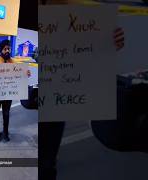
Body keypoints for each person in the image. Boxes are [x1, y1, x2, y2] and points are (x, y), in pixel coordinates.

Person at [39, 0, 125, 179]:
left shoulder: (79, 18)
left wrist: (109, 46)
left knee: (47, 159)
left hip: (58, 99)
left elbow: (88, 51)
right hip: (42, 94)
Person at [0, 39, 31, 142]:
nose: (7, 50)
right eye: (5, 49)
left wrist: (26, 73)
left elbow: (21, 74)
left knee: (6, 114)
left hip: (8, 95)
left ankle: (5, 133)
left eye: (8, 48)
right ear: (1, 50)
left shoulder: (14, 62)